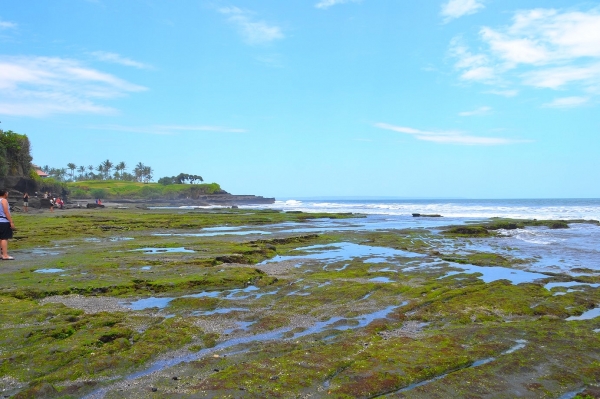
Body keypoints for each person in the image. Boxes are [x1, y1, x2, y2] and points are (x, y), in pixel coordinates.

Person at [0, 190, 15, 260]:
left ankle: (1, 254)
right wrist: (11, 222)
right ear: (5, 194)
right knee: (4, 238)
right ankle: (5, 255)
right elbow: (6, 212)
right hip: (3, 221)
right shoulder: (4, 200)